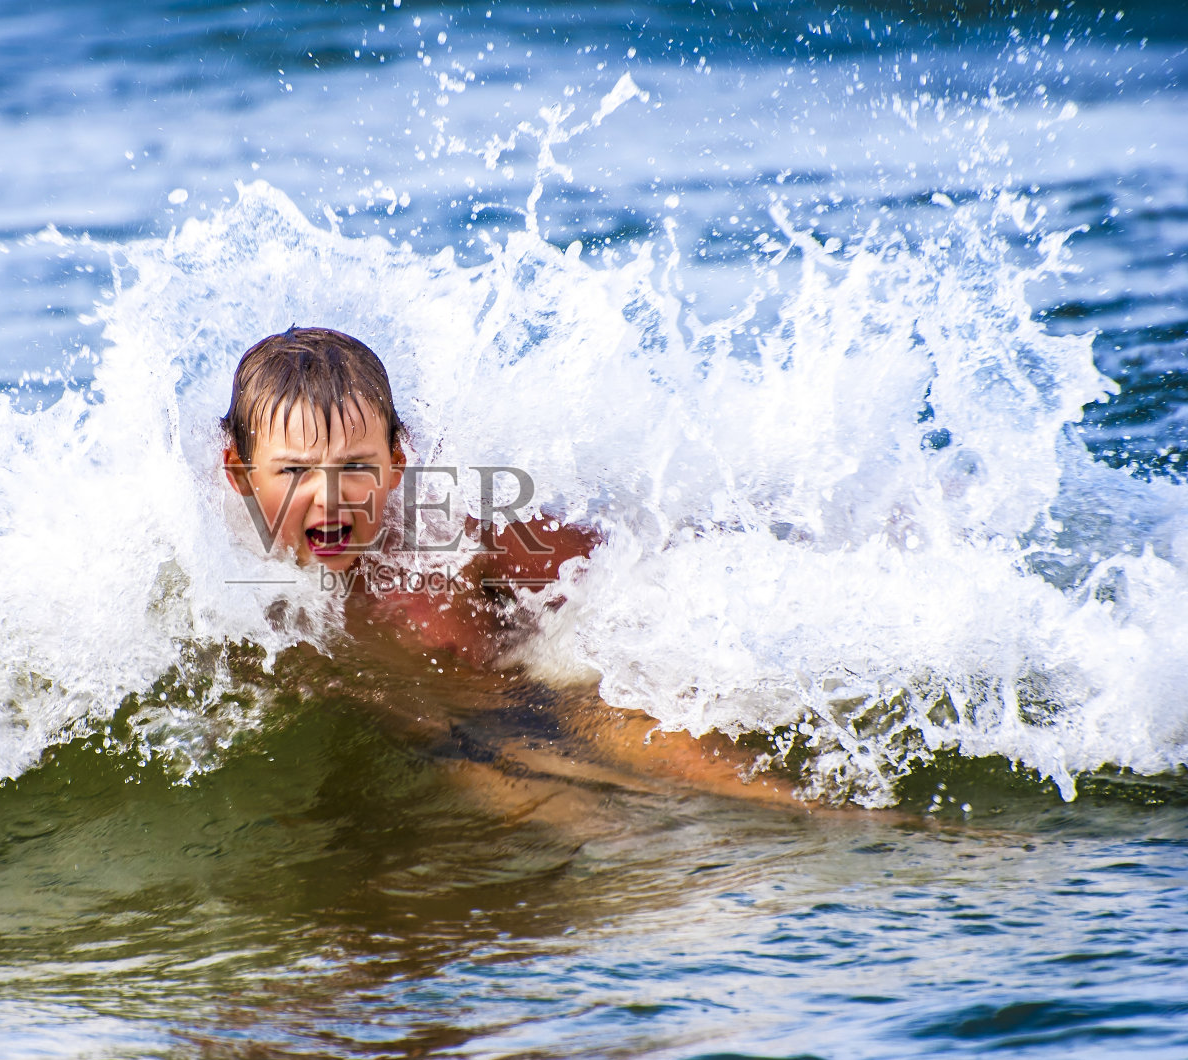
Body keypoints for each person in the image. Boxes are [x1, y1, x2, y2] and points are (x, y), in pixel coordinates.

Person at [221, 326, 802, 808]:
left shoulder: (454, 534)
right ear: (240, 472)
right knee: (583, 828)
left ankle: (849, 834)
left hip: (558, 691)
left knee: (726, 783)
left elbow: (620, 573)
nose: (330, 497)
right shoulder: (221, 574)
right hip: (455, 735)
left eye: (356, 465)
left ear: (398, 462)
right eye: (294, 472)